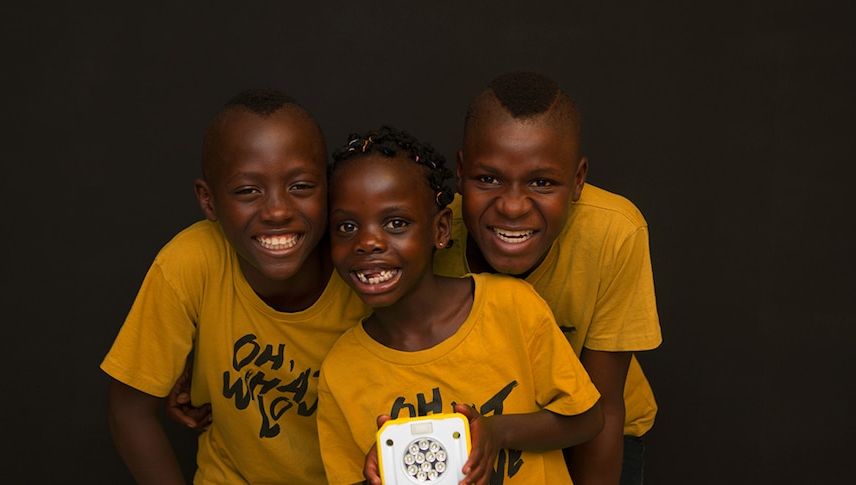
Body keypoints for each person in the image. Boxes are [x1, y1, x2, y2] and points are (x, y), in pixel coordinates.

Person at [100, 88, 369, 485]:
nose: (277, 210)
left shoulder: (368, 259)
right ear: (208, 201)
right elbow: (128, 410)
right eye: (248, 191)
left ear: (329, 190)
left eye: (301, 186)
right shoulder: (190, 263)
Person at [316, 126, 604, 485]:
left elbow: (589, 419)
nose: (368, 242)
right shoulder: (341, 369)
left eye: (396, 223)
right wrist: (381, 470)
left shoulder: (511, 306)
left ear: (440, 231)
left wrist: (497, 432)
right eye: (346, 227)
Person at [432, 70, 662, 485]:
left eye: (542, 182)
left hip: (596, 426)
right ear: (461, 171)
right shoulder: (432, 236)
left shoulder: (613, 233)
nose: (514, 207)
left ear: (577, 180)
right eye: (488, 179)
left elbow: (604, 409)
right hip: (480, 427)